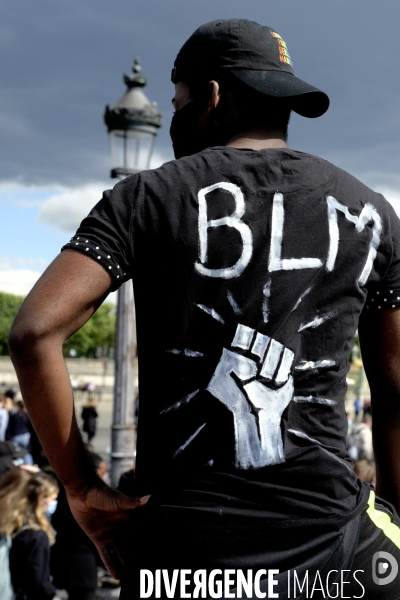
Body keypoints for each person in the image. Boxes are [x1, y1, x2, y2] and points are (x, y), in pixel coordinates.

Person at [8, 18, 400, 598]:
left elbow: (34, 332)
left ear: (213, 97)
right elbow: (394, 390)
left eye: (177, 102)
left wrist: (80, 486)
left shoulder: (144, 198)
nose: (173, 118)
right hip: (329, 552)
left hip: (182, 556)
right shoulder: (371, 214)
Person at [51, 453, 107, 600]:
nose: (104, 478)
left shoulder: (65, 494)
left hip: (66, 565)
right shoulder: (85, 502)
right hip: (83, 569)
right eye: (102, 474)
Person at [0, 471, 58, 599]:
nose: (55, 503)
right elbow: (38, 579)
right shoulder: (37, 535)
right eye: (53, 499)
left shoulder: (11, 525)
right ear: (41, 499)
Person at [6, 400, 34, 465]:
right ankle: (30, 466)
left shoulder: (14, 416)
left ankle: (21, 467)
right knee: (27, 452)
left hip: (16, 436)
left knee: (18, 453)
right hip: (26, 436)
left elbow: (10, 427)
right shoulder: (27, 415)